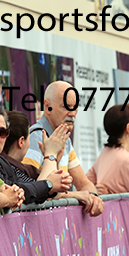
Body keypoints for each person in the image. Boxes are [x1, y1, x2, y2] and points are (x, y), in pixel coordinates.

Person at [22, 80, 103, 216]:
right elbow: (31, 191)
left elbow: (83, 183)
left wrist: (93, 196)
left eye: (75, 108)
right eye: (66, 107)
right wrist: (76, 195)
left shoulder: (65, 139)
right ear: (47, 106)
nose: (72, 113)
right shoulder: (36, 137)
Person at [0, 105, 72, 204]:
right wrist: (50, 156)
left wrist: (50, 183)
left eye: (3, 132)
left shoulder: (1, 161)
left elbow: (33, 189)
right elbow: (18, 192)